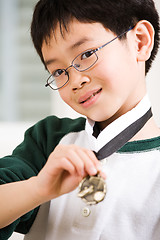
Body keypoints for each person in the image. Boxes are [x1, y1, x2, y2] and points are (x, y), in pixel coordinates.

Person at [0, 0, 160, 239]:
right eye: (59, 72)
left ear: (140, 41)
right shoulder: (49, 138)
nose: (75, 81)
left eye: (87, 54)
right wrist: (37, 189)